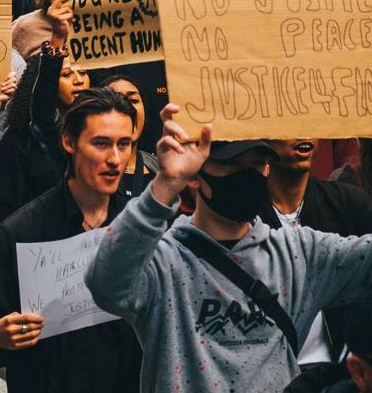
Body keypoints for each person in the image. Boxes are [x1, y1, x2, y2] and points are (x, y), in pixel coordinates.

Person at [85, 107, 372, 393]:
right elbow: (106, 284)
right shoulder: (163, 262)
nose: (248, 175)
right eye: (234, 164)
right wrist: (165, 185)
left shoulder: (297, 253)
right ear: (196, 175)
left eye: (258, 163)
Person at [0, 88, 142, 392]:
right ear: (69, 142)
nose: (115, 159)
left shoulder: (139, 229)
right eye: (101, 144)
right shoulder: (20, 233)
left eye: (124, 144)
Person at [258, 139, 372, 367]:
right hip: (272, 372)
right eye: (288, 121)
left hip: (341, 370)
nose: (304, 134)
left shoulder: (349, 204)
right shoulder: (244, 215)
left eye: (309, 122)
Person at [0, 0, 87, 237]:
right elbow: (43, 107)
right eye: (66, 75)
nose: (79, 80)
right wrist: (58, 38)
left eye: (83, 73)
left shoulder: (92, 127)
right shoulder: (39, 130)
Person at [101, 74, 158, 198]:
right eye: (117, 100)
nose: (128, 107)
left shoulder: (162, 169)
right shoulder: (87, 169)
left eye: (133, 100)